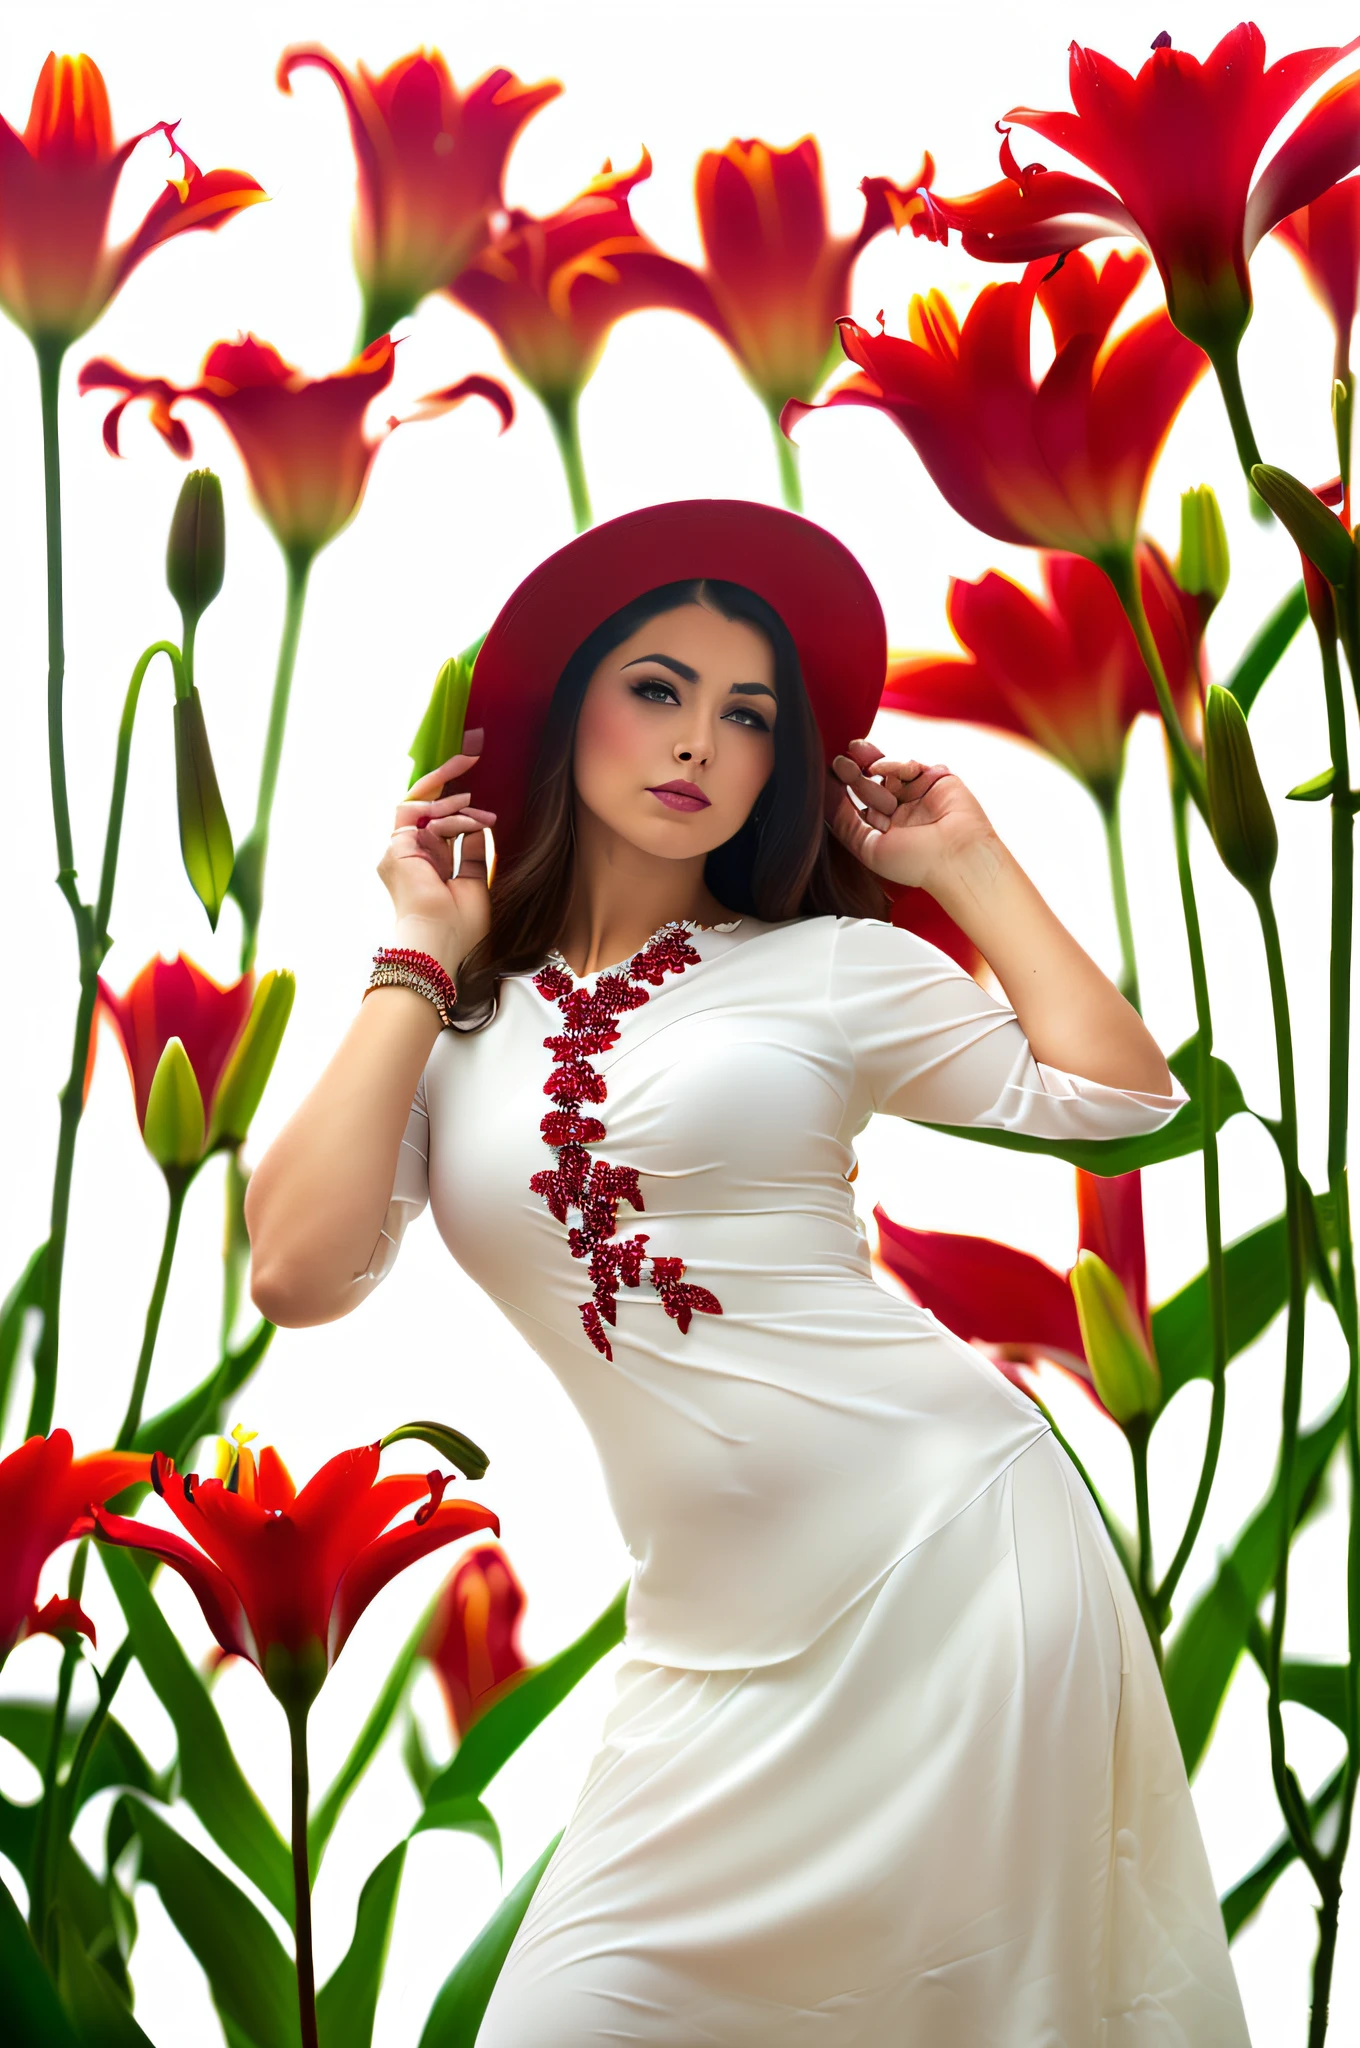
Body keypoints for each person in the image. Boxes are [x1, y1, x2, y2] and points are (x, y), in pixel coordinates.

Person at [244, 500, 1250, 2045]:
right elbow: (298, 1276)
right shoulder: (446, 1026)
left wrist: (967, 861)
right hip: (701, 1661)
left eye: (749, 714)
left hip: (956, 1563)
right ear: (566, 707)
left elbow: (1122, 1102)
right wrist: (416, 951)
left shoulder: (829, 967)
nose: (701, 740)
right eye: (658, 687)